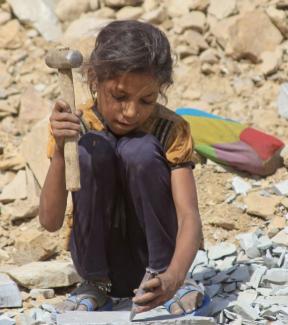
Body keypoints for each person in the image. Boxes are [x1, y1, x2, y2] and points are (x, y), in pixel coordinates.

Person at [39, 20, 204, 316]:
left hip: (158, 270)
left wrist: (174, 277)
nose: (131, 112)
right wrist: (64, 152)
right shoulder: (75, 127)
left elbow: (189, 215)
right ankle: (95, 284)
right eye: (119, 96)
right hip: (103, 265)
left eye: (147, 100)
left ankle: (162, 274)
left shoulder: (170, 130)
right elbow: (50, 221)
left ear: (160, 91)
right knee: (90, 149)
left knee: (138, 151)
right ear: (94, 80)